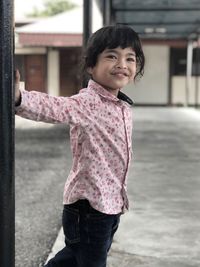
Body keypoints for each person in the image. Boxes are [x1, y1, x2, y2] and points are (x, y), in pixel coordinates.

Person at [15, 24, 145, 267]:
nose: (122, 64)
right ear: (90, 66)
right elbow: (54, 107)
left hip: (109, 204)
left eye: (130, 58)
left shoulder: (121, 105)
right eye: (111, 56)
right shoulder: (88, 103)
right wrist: (20, 98)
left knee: (74, 258)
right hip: (90, 208)